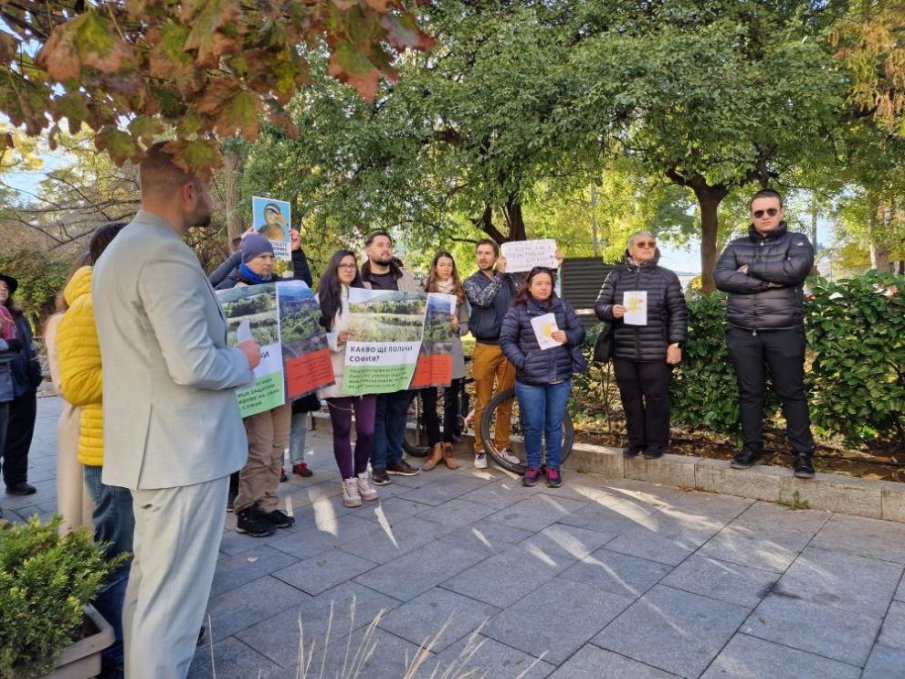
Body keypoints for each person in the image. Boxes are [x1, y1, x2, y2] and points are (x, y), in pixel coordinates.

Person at [92, 141, 260, 678]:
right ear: (189, 192)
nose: (210, 196)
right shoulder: (164, 253)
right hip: (183, 453)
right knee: (175, 609)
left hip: (156, 451)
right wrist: (242, 358)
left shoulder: (122, 249)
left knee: (151, 595)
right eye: (207, 186)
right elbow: (192, 364)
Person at [57, 223, 135, 677]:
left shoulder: (121, 301)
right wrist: (145, 368)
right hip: (109, 451)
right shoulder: (85, 307)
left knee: (138, 552)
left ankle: (139, 635)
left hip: (140, 446)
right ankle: (116, 655)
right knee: (117, 555)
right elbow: (78, 384)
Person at [714, 188, 817, 479]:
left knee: (792, 393)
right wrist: (764, 283)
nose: (765, 216)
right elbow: (721, 277)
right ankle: (752, 447)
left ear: (781, 212)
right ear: (751, 215)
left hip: (785, 331)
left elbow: (796, 270)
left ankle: (802, 453)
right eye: (759, 212)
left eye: (771, 211)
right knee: (750, 393)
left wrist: (749, 270)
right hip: (743, 332)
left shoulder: (797, 241)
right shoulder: (735, 246)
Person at [215, 234, 295, 537]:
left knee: (277, 447)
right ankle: (246, 510)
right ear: (246, 258)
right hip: (254, 384)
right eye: (262, 257)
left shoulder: (278, 287)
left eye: (271, 257)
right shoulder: (230, 289)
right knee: (260, 448)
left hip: (281, 380)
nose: (268, 262)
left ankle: (268, 504)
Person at [594, 231, 688, 460]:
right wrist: (611, 310)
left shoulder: (667, 277)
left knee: (656, 398)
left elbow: (678, 312)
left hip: (655, 350)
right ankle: (635, 442)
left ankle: (656, 444)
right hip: (623, 351)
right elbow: (600, 306)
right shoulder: (615, 276)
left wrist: (675, 343)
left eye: (651, 244)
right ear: (630, 250)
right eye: (641, 244)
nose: (647, 247)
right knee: (630, 398)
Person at [499, 267, 585, 488]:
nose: (544, 287)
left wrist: (568, 335)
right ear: (529, 285)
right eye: (539, 283)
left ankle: (553, 467)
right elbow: (507, 340)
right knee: (533, 425)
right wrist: (522, 361)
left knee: (554, 426)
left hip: (559, 377)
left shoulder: (563, 306)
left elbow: (579, 332)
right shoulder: (517, 310)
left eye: (548, 283)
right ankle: (534, 466)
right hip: (529, 380)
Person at [317, 250, 380, 507]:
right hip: (336, 374)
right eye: (342, 265)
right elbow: (310, 338)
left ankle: (362, 474)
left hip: (365, 372)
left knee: (366, 430)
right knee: (342, 429)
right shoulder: (321, 299)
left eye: (352, 265)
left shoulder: (367, 297)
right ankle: (348, 481)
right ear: (334, 268)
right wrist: (335, 339)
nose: (348, 269)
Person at [360, 230, 422, 485]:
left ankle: (396, 458)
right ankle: (379, 464)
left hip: (402, 358)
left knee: (398, 409)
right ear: (368, 250)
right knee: (377, 411)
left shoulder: (405, 278)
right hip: (373, 358)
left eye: (389, 245)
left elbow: (422, 306)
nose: (385, 249)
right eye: (380, 245)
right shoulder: (358, 280)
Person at [45, 252, 95, 535]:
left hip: (96, 416)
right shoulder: (63, 320)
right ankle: (85, 563)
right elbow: (65, 382)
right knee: (81, 501)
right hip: (81, 417)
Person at [463, 240, 519, 469]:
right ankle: (480, 449)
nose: (483, 256)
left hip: (509, 346)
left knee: (506, 399)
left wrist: (554, 265)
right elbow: (482, 299)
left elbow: (531, 291)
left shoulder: (510, 281)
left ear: (496, 256)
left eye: (488, 253)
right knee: (483, 401)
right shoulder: (470, 282)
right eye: (480, 253)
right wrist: (499, 276)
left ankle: (502, 447)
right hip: (484, 347)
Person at [421, 252, 470, 471]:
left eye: (450, 264)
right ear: (435, 267)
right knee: (429, 402)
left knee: (451, 401)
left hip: (452, 352)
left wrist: (456, 326)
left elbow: (466, 326)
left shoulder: (459, 293)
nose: (446, 268)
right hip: (430, 352)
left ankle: (448, 445)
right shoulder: (424, 290)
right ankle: (434, 446)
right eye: (442, 264)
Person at [0, 272, 42, 496]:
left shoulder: (18, 316)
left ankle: (16, 481)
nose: (3, 289)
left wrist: (34, 368)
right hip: (1, 386)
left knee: (21, 435)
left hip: (24, 383)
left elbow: (29, 346)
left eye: (6, 286)